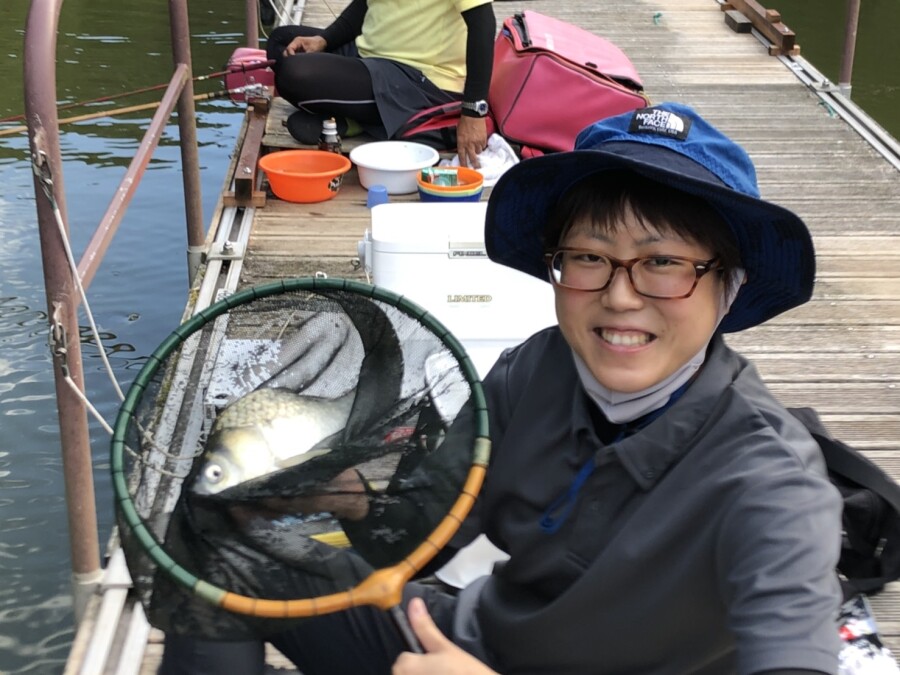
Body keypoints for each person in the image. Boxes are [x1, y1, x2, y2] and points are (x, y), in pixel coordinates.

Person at [160, 102, 844, 674]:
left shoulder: (772, 485)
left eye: (663, 263)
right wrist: (350, 499)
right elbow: (433, 529)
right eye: (588, 257)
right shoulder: (535, 370)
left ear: (730, 286)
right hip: (472, 637)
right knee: (219, 553)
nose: (621, 296)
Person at [265, 0, 495, 169]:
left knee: (293, 74)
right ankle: (359, 119)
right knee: (281, 41)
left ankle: (359, 121)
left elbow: (483, 25)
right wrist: (324, 39)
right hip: (370, 56)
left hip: (417, 78)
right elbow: (365, 5)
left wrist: (474, 111)